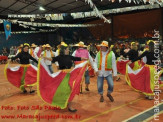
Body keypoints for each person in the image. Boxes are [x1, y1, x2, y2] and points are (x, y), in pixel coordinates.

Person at [43, 43, 87, 112]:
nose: (68, 50)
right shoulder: (59, 57)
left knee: (68, 90)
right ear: (63, 50)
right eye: (67, 49)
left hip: (69, 75)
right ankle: (60, 102)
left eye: (68, 49)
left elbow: (76, 58)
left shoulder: (69, 56)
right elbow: (52, 59)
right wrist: (45, 57)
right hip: (61, 76)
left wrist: (84, 58)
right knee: (62, 90)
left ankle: (69, 105)